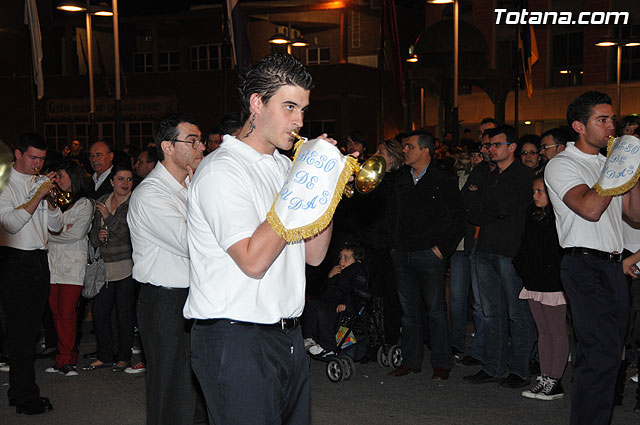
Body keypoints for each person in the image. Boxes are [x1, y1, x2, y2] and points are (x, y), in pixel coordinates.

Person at [184, 53, 333, 424]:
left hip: (288, 335)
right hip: (235, 337)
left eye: (303, 109)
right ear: (256, 103)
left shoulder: (284, 166)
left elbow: (314, 255)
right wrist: (300, 186)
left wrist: (326, 188)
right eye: (289, 106)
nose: (299, 121)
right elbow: (253, 260)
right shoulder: (222, 170)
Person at [544, 91, 640, 425]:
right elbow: (589, 208)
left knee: (608, 354)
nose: (611, 125)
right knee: (600, 356)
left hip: (614, 265)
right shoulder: (561, 164)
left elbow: (636, 215)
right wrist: (616, 168)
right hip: (583, 263)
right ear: (579, 126)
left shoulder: (605, 163)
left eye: (613, 118)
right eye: (602, 119)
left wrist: (634, 171)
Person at [127, 113, 207, 425]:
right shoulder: (151, 194)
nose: (200, 146)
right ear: (167, 147)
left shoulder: (191, 184)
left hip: (195, 298)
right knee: (173, 393)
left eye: (200, 139)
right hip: (166, 301)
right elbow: (193, 243)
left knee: (199, 389)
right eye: (192, 140)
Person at [387, 130, 465, 380]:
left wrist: (441, 249)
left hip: (429, 254)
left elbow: (456, 218)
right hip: (403, 253)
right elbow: (391, 215)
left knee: (435, 310)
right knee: (409, 311)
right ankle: (411, 360)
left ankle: (441, 362)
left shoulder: (443, 178)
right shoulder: (400, 179)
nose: (405, 151)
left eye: (409, 146)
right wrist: (394, 245)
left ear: (425, 150)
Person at [462, 125, 535, 389]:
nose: (490, 149)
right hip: (485, 247)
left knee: (517, 313)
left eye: (497, 145)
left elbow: (503, 207)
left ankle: (519, 369)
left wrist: (480, 200)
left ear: (512, 147)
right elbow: (468, 206)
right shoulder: (488, 174)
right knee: (491, 313)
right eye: (489, 145)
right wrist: (481, 202)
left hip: (510, 250)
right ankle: (493, 366)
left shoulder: (523, 176)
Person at [0, 132, 60, 415]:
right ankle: (25, 396)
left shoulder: (40, 183)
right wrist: (38, 195)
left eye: (42, 159)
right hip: (15, 259)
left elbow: (56, 226)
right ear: (18, 154)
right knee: (21, 332)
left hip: (39, 258)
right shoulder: (5, 182)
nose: (38, 164)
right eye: (33, 157)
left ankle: (20, 391)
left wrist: (51, 202)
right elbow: (11, 223)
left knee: (31, 330)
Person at [514, 174, 568, 401]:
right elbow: (525, 245)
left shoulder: (561, 218)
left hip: (553, 283)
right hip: (533, 280)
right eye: (533, 191)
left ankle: (556, 380)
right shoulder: (532, 214)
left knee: (557, 332)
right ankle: (545, 377)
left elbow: (559, 252)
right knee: (543, 332)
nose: (535, 196)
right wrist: (522, 268)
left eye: (540, 191)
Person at [85, 163, 136, 371]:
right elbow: (92, 235)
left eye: (129, 179)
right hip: (103, 267)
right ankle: (105, 355)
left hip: (125, 266)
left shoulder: (134, 202)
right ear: (112, 181)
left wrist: (108, 217)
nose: (125, 183)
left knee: (124, 314)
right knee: (100, 312)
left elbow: (128, 234)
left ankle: (123, 356)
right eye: (121, 179)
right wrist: (97, 237)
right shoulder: (102, 201)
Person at [45, 161, 93, 377]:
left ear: (73, 178)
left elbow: (76, 234)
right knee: (55, 311)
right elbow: (51, 229)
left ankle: (67, 359)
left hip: (73, 265)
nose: (58, 181)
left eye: (61, 177)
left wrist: (50, 236)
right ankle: (62, 357)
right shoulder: (52, 202)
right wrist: (57, 233)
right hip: (53, 265)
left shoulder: (83, 204)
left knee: (67, 313)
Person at [303, 242, 367, 356]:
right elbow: (330, 292)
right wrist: (331, 277)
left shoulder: (357, 270)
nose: (341, 262)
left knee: (324, 312)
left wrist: (345, 303)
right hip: (333, 301)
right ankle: (309, 337)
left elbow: (354, 290)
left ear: (357, 261)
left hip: (347, 305)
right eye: (341, 258)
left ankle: (328, 346)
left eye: (346, 258)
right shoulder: (339, 270)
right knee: (312, 304)